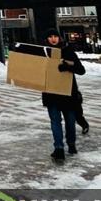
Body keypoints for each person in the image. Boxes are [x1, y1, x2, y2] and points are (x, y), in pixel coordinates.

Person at [41, 28, 86, 164]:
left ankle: (71, 144)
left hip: (68, 94)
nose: (53, 39)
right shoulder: (43, 53)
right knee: (55, 122)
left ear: (59, 38)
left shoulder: (68, 51)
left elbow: (81, 70)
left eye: (55, 36)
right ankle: (59, 148)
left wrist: (67, 67)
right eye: (50, 37)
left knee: (70, 122)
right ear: (46, 39)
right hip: (51, 94)